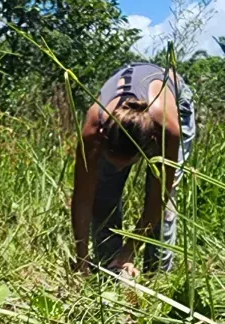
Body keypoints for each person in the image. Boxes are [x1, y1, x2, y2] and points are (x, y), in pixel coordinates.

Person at [71, 62, 196, 277]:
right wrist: (82, 258)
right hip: (121, 113)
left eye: (127, 162)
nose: (119, 167)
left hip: (175, 101)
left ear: (147, 146)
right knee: (102, 195)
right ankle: (110, 270)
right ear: (103, 139)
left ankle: (156, 276)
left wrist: (130, 249)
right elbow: (83, 198)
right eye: (113, 159)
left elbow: (160, 197)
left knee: (163, 201)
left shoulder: (167, 130)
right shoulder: (93, 131)